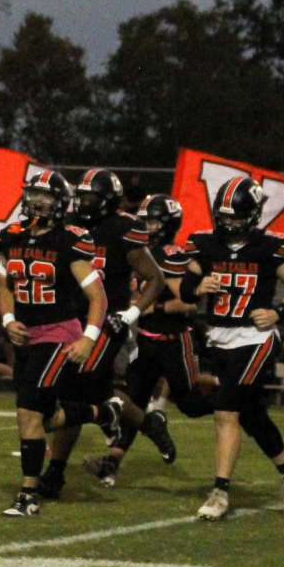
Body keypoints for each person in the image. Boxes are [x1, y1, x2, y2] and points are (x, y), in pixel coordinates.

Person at [38, 169, 173, 500]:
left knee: (73, 391)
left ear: (109, 202)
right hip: (71, 317)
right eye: (81, 197)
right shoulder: (68, 224)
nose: (84, 204)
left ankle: (54, 474)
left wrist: (130, 314)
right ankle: (148, 424)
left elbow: (156, 279)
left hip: (107, 321)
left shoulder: (121, 230)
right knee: (98, 392)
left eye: (91, 199)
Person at [179, 177, 284, 520]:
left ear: (253, 215)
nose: (230, 224)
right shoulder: (205, 244)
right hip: (220, 338)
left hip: (256, 339)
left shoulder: (270, 246)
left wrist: (278, 312)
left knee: (225, 411)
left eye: (237, 217)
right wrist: (197, 286)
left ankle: (220, 492)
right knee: (251, 415)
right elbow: (185, 285)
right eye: (226, 217)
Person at [0, 170, 122, 517]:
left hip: (57, 333)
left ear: (61, 203)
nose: (38, 202)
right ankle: (104, 412)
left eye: (46, 197)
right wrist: (8, 321)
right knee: (44, 418)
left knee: (28, 415)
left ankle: (28, 495)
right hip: (25, 334)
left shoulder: (69, 240)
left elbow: (98, 297)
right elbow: (5, 286)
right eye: (34, 195)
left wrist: (88, 338)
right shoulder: (12, 236)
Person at [83, 194, 216, 487]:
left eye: (153, 221)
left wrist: (146, 306)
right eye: (144, 220)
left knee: (191, 405)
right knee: (134, 405)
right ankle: (111, 463)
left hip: (173, 340)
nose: (147, 226)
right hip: (145, 341)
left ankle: (234, 401)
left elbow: (187, 304)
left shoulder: (171, 255)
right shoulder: (139, 251)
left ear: (168, 224)